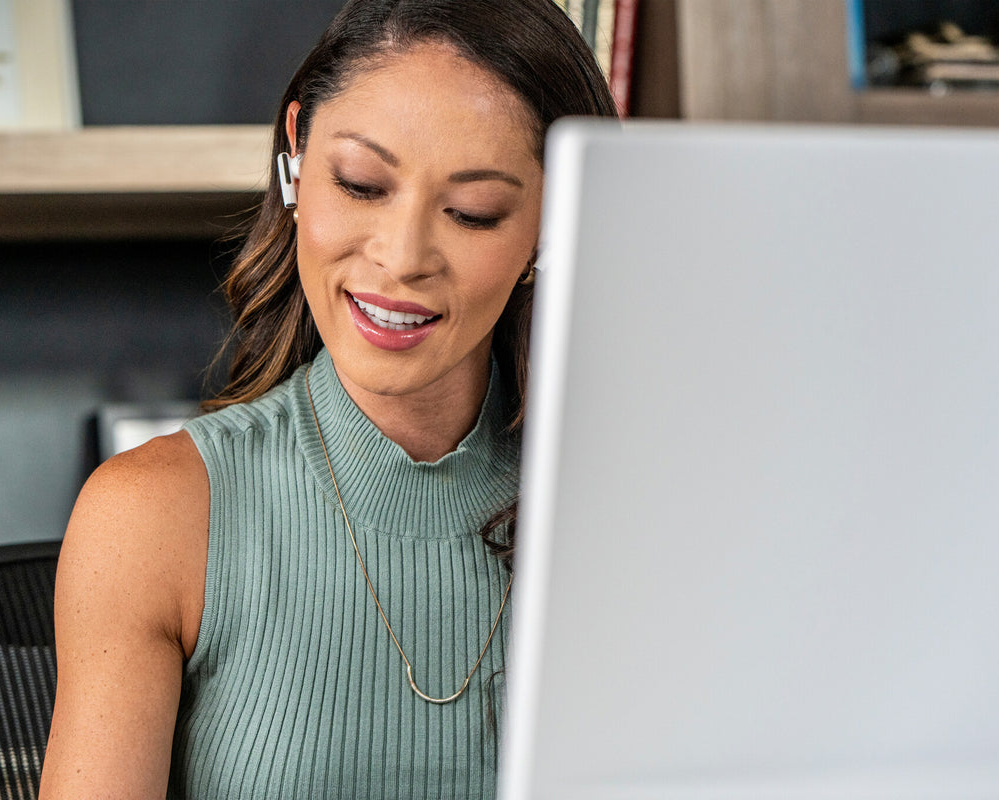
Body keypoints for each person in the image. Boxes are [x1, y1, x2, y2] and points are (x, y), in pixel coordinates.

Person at [39, 0, 617, 796]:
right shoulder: (153, 519)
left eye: (472, 213)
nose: (402, 257)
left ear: (550, 228)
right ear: (298, 159)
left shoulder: (627, 515)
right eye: (362, 184)